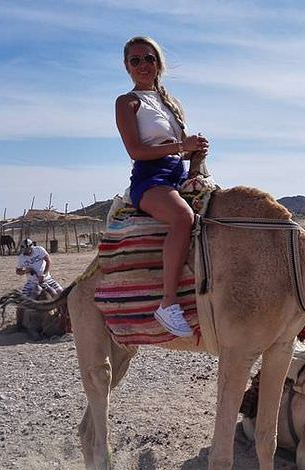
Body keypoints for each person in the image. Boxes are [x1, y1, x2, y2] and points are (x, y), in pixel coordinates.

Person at [115, 36, 209, 337]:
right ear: (127, 67)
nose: (143, 65)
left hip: (177, 173)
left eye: (149, 58)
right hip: (150, 177)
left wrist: (193, 151)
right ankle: (167, 303)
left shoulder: (172, 103)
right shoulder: (127, 102)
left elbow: (175, 149)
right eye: (136, 60)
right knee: (183, 217)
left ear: (158, 64)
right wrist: (181, 145)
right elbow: (136, 151)